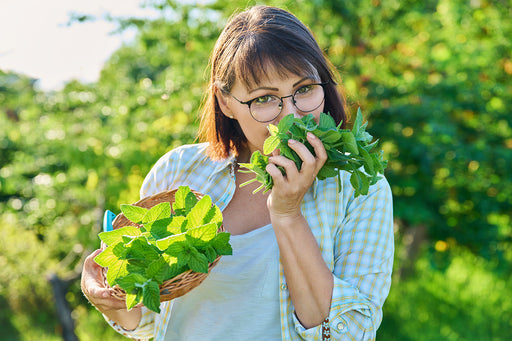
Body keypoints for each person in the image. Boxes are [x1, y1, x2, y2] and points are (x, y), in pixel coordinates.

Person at [81, 5, 394, 341]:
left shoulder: (358, 186)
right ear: (226, 101)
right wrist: (108, 298)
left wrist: (287, 214)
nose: (290, 115)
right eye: (264, 99)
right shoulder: (180, 171)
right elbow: (148, 321)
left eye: (304, 89)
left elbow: (349, 334)